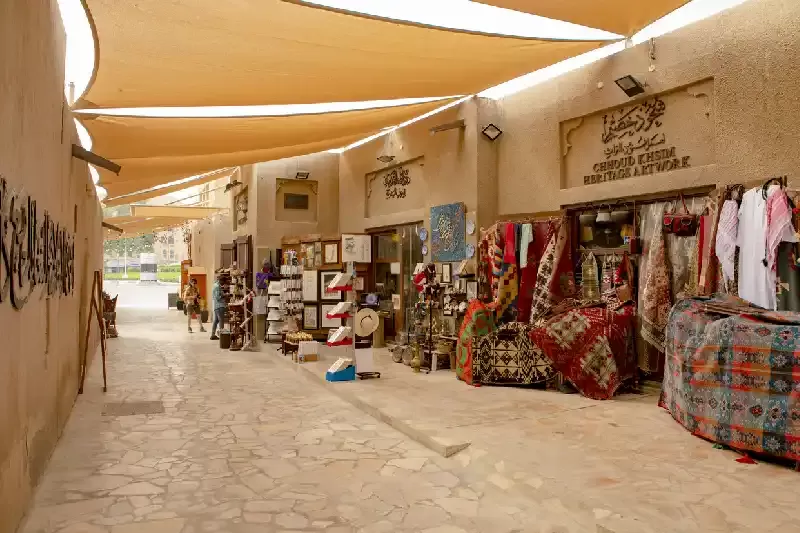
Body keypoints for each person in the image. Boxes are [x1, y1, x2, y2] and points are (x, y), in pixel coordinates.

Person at [210, 274, 226, 341]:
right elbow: (217, 297)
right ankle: (222, 336)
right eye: (223, 282)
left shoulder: (215, 285)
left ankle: (213, 335)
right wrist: (224, 295)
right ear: (221, 280)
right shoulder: (217, 286)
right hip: (220, 306)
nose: (223, 284)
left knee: (216, 321)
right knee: (221, 321)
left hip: (216, 306)